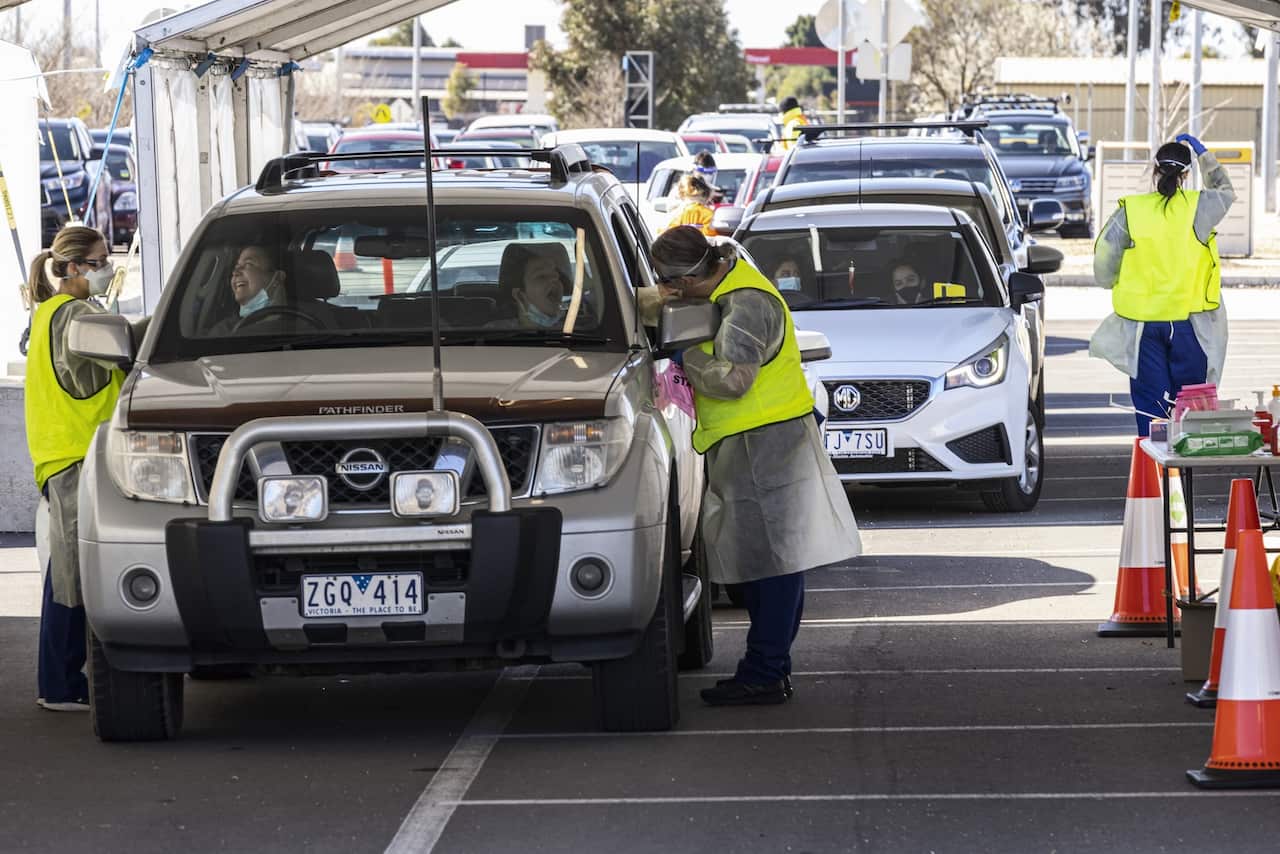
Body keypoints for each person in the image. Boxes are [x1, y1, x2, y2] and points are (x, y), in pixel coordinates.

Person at [650, 226, 862, 706]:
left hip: (765, 442)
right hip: (757, 441)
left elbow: (735, 379)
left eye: (670, 284)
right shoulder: (731, 290)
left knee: (773, 567)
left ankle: (764, 671)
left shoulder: (745, 303)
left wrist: (688, 356)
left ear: (687, 279)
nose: (668, 293)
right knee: (775, 562)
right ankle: (769, 668)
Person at [23, 225, 124, 712]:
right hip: (77, 454)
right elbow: (119, 359)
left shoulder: (45, 313)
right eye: (101, 259)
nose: (108, 267)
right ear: (74, 267)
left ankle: (60, 678)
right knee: (70, 575)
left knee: (64, 570)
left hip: (58, 454)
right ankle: (60, 685)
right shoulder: (76, 315)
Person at [1091, 133, 1235, 435]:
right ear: (1186, 174)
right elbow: (1225, 190)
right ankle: (1184, 474)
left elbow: (1105, 262)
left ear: (1155, 170)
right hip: (1190, 324)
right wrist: (1204, 155)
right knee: (1191, 407)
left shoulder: (1131, 210)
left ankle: (1155, 475)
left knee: (1151, 409)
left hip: (1144, 325)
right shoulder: (1200, 207)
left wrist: (1112, 281)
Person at [501, 244, 568, 330]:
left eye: (556, 276)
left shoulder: (574, 333)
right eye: (542, 276)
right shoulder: (492, 334)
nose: (554, 280)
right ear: (520, 296)